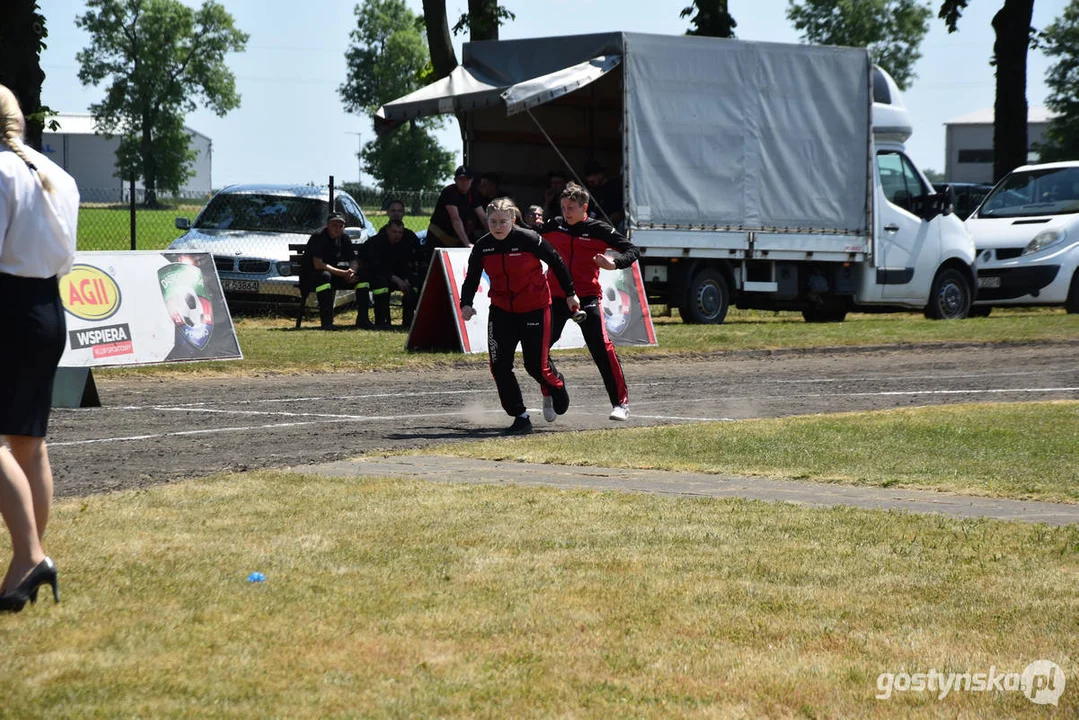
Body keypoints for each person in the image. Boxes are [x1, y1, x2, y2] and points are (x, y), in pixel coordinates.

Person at [0, 84, 78, 613]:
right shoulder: (58, 175)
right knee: (29, 443)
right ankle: (23, 567)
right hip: (47, 306)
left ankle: (29, 556)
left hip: (6, 305)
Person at [460, 198, 581, 435]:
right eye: (492, 221)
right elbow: (472, 276)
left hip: (535, 308)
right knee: (499, 366)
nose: (497, 226)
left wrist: (570, 294)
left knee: (535, 365)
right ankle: (520, 416)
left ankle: (556, 384)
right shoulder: (483, 246)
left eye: (503, 222)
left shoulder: (529, 239)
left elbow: (556, 262)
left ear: (513, 220)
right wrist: (466, 304)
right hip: (502, 310)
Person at [542, 181, 640, 422]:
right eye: (563, 206)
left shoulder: (599, 229)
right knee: (539, 350)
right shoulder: (553, 226)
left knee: (602, 349)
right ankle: (552, 391)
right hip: (554, 296)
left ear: (584, 207)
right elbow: (531, 240)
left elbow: (632, 250)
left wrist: (614, 263)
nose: (566, 211)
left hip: (586, 298)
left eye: (571, 207)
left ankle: (621, 404)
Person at [299, 212, 368, 330]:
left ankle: (363, 320)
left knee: (362, 276)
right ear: (328, 225)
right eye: (334, 225)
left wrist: (352, 272)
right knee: (324, 277)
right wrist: (343, 273)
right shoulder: (319, 236)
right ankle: (327, 322)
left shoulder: (344, 238)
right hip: (312, 276)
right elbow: (318, 264)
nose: (338, 228)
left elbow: (353, 259)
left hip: (332, 274)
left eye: (341, 226)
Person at [365, 217, 421, 329]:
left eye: (400, 232)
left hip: (398, 276)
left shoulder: (405, 244)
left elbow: (406, 265)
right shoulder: (377, 243)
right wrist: (396, 279)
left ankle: (408, 322)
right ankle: (382, 321)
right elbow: (378, 267)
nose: (397, 235)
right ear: (387, 230)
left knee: (414, 285)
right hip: (378, 275)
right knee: (381, 284)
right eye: (394, 232)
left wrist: (406, 279)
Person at [427, 165, 485, 250]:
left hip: (457, 237)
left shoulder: (473, 194)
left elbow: (483, 217)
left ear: (472, 180)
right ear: (455, 180)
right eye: (461, 179)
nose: (464, 182)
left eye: (467, 179)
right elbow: (455, 219)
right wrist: (467, 243)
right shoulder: (449, 192)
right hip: (439, 236)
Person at [583, 159, 624, 229]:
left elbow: (618, 213)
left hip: (607, 228)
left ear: (600, 174)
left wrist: (604, 221)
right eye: (588, 182)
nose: (590, 184)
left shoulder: (614, 188)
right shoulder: (590, 190)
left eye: (592, 181)